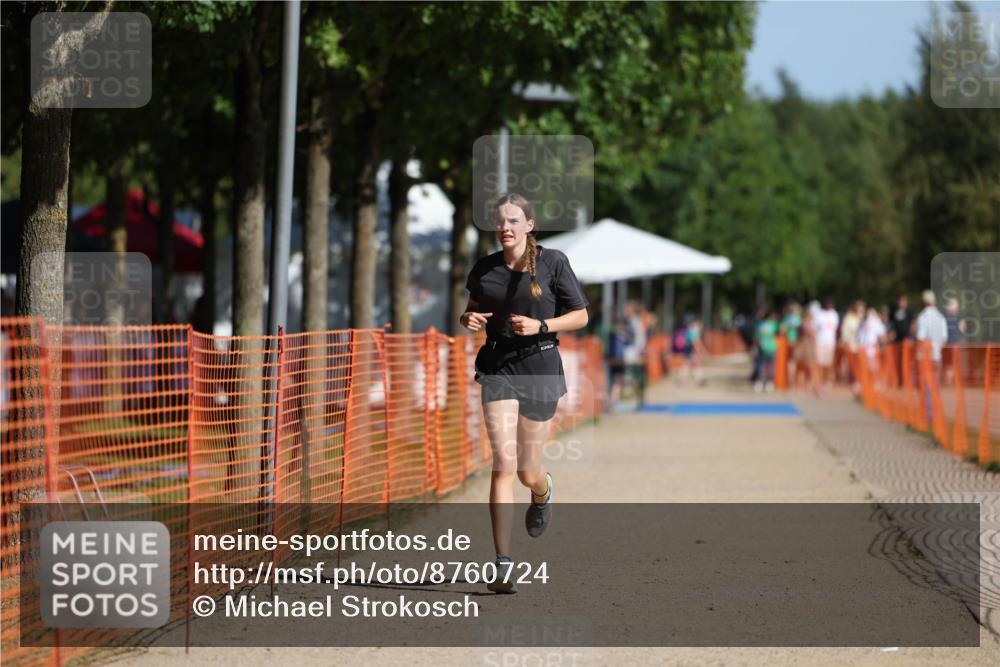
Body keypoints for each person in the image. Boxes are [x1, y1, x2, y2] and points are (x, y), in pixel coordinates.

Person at [460, 193, 589, 594]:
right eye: (500, 221)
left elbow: (581, 315)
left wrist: (542, 326)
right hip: (498, 367)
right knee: (502, 463)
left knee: (525, 471)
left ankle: (542, 489)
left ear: (529, 225)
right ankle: (502, 562)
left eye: (514, 221)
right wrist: (468, 318)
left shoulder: (552, 263)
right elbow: (472, 309)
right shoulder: (485, 268)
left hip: (540, 366)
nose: (506, 227)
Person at [914, 290, 948, 425]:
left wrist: (918, 356)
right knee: (936, 386)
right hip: (937, 356)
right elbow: (944, 339)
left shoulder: (923, 317)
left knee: (926, 385)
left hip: (926, 357)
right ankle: (936, 414)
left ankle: (928, 416)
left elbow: (921, 338)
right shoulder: (941, 317)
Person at [813, 298, 840, 395]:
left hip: (830, 343)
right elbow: (815, 329)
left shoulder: (834, 314)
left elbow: (835, 329)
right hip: (820, 342)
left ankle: (825, 382)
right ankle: (818, 383)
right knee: (819, 364)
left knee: (828, 364)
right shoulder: (819, 314)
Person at [753, 310, 779, 393]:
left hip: (762, 347)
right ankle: (769, 384)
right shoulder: (773, 325)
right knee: (771, 366)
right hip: (771, 348)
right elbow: (780, 331)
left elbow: (756, 337)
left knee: (760, 366)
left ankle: (759, 383)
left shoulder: (760, 325)